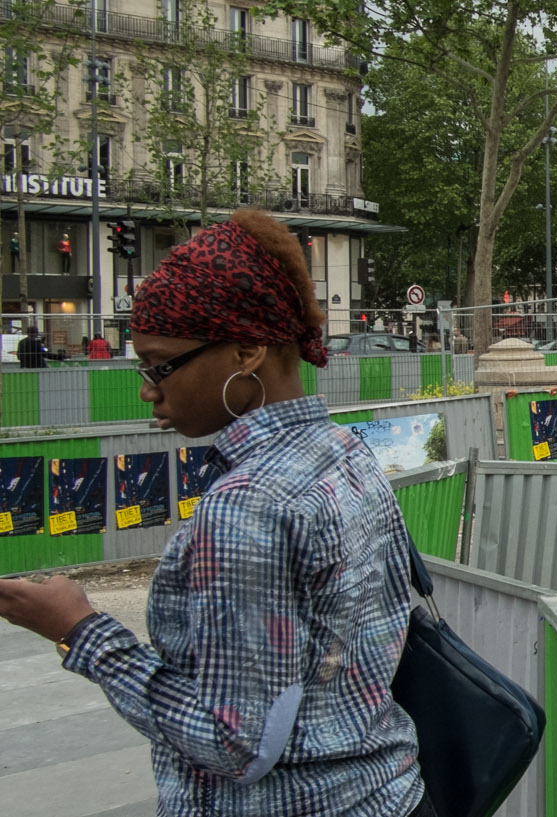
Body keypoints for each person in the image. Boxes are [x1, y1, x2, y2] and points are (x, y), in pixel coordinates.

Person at [0, 210, 429, 816]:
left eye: (158, 364)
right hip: (388, 794)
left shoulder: (245, 507)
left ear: (247, 351)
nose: (148, 388)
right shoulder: (344, 450)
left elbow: (236, 748)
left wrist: (80, 631)